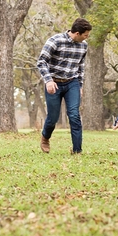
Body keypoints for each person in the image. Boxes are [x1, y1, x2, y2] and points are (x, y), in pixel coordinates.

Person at [36, 18, 92, 154]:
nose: (87, 37)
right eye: (85, 35)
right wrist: (48, 80)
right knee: (53, 118)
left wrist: (80, 85)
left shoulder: (83, 46)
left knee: (74, 115)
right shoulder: (55, 41)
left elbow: (80, 66)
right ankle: (45, 137)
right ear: (77, 33)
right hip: (53, 82)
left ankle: (77, 150)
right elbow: (41, 62)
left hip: (72, 82)